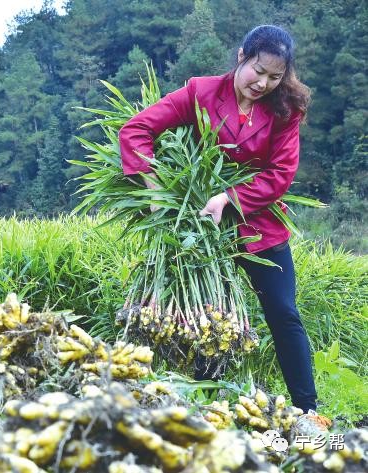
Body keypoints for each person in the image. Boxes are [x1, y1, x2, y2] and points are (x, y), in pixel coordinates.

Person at [119, 25, 330, 432]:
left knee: (283, 311)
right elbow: (136, 129)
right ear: (241, 56)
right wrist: (153, 185)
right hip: (201, 227)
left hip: (260, 222)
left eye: (274, 77)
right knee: (205, 313)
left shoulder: (286, 109)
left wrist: (229, 198)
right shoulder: (200, 92)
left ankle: (307, 411)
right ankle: (202, 407)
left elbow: (281, 173)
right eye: (258, 70)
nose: (263, 83)